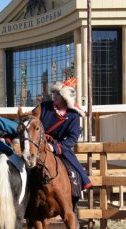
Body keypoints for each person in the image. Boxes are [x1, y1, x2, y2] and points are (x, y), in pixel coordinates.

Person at [34, 77, 92, 210]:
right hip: (39, 145)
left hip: (59, 147)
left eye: (58, 94)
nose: (54, 96)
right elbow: (32, 121)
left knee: (75, 175)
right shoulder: (44, 106)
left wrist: (54, 147)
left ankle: (72, 208)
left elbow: (72, 138)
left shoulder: (73, 116)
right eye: (54, 93)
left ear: (65, 98)